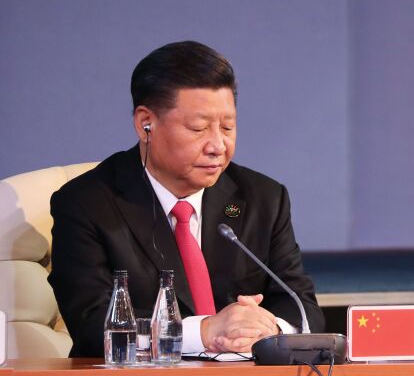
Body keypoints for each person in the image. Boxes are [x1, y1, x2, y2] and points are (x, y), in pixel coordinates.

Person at [50, 40, 324, 357]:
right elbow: (92, 327)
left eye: (227, 127)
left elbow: (302, 307)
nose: (218, 146)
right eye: (198, 128)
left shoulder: (263, 198)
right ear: (145, 124)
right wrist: (204, 332)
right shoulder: (87, 204)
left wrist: (270, 330)